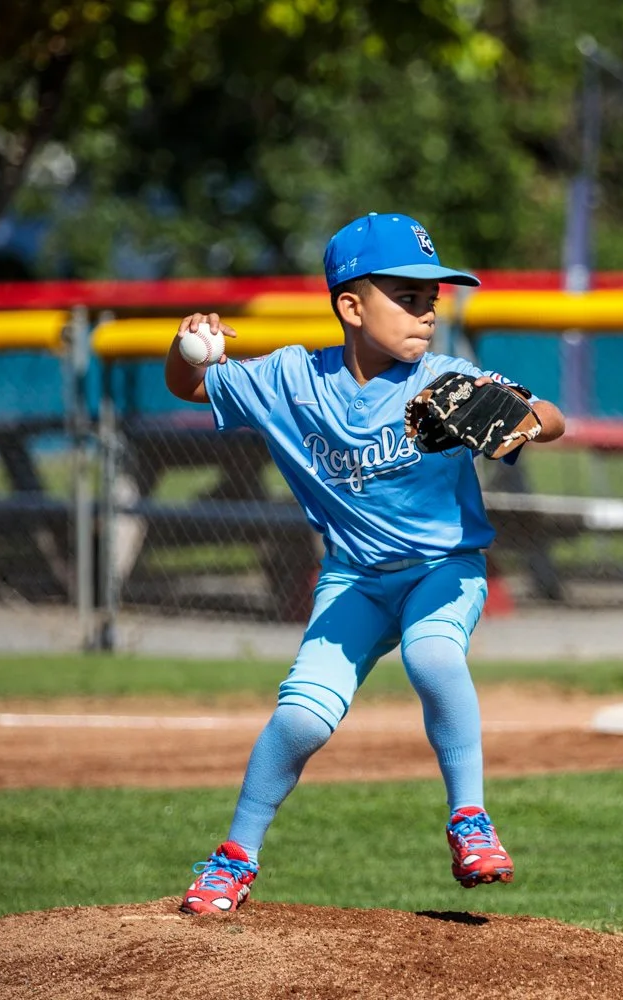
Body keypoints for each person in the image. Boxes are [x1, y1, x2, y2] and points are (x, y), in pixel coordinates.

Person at [167, 212, 566, 914]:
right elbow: (193, 388)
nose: (426, 315)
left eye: (432, 300)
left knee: (434, 657)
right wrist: (188, 350)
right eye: (407, 298)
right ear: (351, 306)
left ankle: (470, 820)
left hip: (444, 568)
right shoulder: (293, 380)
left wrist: (524, 421)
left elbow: (549, 414)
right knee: (301, 718)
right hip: (355, 579)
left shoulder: (444, 378)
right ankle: (233, 858)